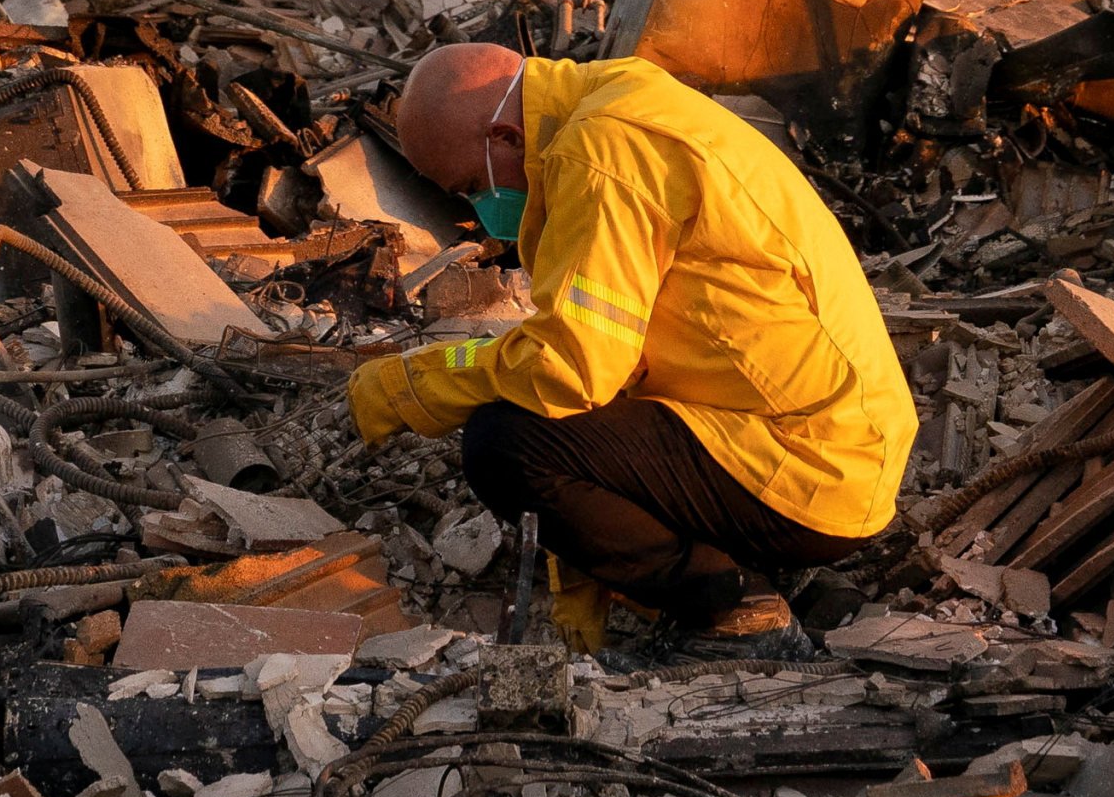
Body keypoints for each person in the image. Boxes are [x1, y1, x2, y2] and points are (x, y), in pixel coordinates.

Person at [346, 42, 913, 644]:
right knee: (534, 417)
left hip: (811, 468)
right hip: (835, 440)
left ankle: (732, 605)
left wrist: (417, 380)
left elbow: (568, 368)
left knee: (507, 445)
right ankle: (761, 573)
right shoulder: (621, 99)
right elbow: (604, 360)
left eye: (467, 186)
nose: (475, 207)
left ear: (506, 138)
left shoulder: (601, 153)